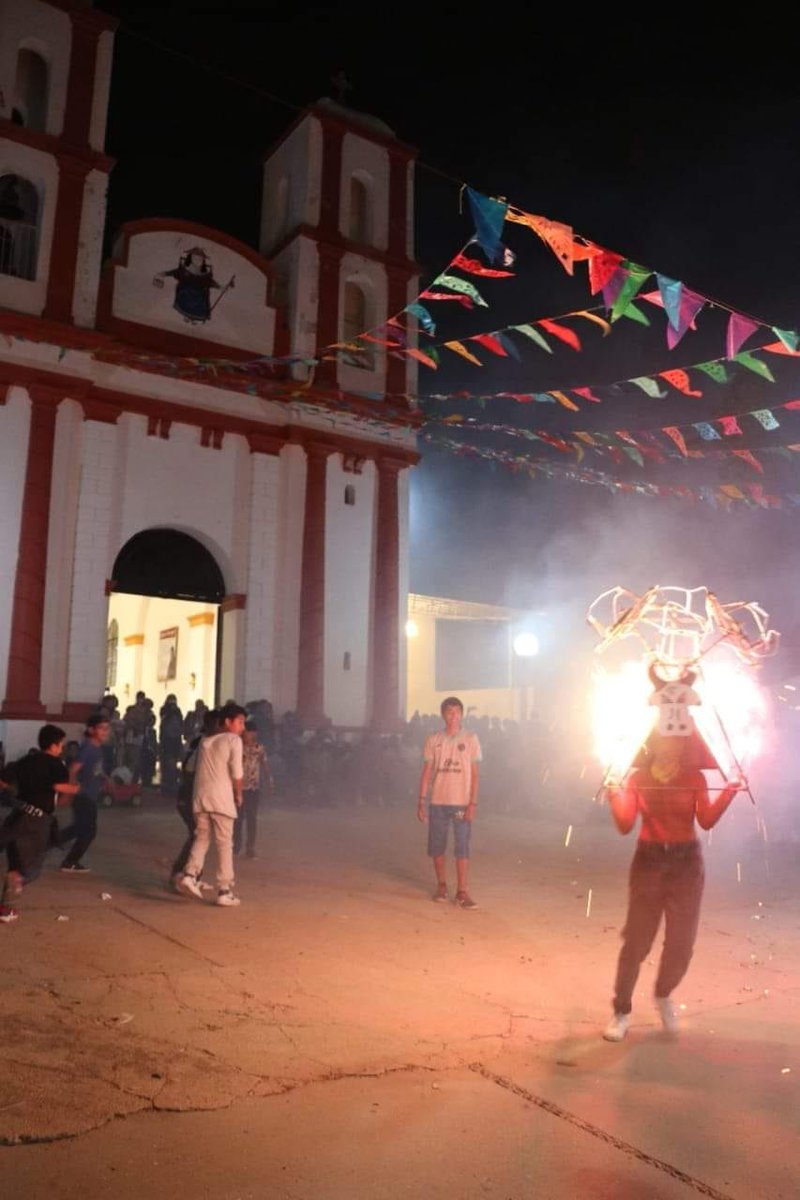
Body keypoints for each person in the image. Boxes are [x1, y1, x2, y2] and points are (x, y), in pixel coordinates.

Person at [602, 738, 743, 1042]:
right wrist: (614, 790)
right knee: (637, 941)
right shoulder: (639, 777)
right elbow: (625, 824)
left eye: (678, 742)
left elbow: (705, 820)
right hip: (649, 861)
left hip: (686, 864)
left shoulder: (694, 777)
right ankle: (621, 1011)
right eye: (666, 740)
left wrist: (730, 789)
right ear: (654, 742)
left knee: (682, 943)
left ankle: (663, 994)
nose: (672, 747)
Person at [0, 725, 79, 922]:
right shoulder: (56, 765)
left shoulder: (26, 760)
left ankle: (6, 906)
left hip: (18, 815)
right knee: (30, 868)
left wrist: (12, 794)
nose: (61, 748)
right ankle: (7, 906)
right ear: (53, 745)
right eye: (60, 744)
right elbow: (58, 786)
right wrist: (75, 789)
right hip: (37, 821)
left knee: (15, 859)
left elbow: (4, 781)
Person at [177, 702, 246, 907]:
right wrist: (239, 794)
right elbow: (237, 772)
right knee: (225, 844)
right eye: (240, 722)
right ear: (228, 722)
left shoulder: (206, 741)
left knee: (202, 838)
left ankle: (189, 875)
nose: (242, 727)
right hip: (222, 799)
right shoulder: (233, 740)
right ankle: (224, 890)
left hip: (201, 797)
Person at [417, 696, 482, 909]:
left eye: (457, 712)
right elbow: (427, 772)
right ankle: (442, 885)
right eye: (449, 712)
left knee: (462, 847)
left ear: (462, 715)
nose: (453, 716)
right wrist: (421, 801)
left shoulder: (471, 739)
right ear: (443, 715)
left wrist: (472, 803)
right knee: (437, 847)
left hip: (461, 803)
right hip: (438, 802)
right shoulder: (433, 740)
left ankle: (462, 891)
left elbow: (475, 774)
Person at [170, 707, 220, 889]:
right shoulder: (203, 743)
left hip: (193, 795)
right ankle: (181, 874)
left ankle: (193, 875)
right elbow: (189, 769)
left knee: (199, 836)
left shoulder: (205, 741)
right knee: (198, 836)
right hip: (191, 795)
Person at [59, 714, 111, 874]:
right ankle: (70, 860)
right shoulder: (88, 748)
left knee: (79, 828)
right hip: (84, 795)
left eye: (106, 729)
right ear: (91, 730)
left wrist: (104, 778)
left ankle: (48, 842)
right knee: (88, 831)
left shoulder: (96, 748)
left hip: (89, 794)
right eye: (101, 728)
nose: (105, 732)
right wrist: (71, 791)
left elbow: (94, 770)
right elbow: (73, 770)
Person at [233, 721, 270, 858]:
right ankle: (237, 845)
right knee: (238, 817)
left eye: (252, 732)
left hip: (253, 787)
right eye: (248, 732)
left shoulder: (259, 748)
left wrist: (268, 779)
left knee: (251, 818)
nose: (250, 734)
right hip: (239, 787)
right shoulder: (237, 747)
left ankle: (250, 846)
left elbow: (264, 764)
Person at [159, 694, 184, 795]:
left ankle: (173, 782)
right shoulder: (165, 710)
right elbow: (163, 720)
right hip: (167, 740)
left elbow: (180, 723)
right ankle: (166, 783)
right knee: (167, 762)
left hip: (175, 740)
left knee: (173, 763)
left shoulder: (178, 711)